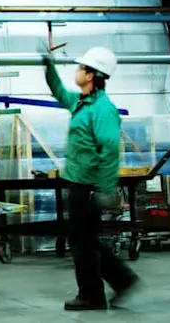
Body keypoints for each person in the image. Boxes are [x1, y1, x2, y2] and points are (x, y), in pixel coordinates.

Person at [42, 46, 139, 311]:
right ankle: (123, 280)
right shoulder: (81, 102)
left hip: (88, 186)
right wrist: (48, 67)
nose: (77, 71)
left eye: (81, 68)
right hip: (77, 181)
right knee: (87, 238)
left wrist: (106, 188)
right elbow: (59, 93)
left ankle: (91, 294)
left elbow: (109, 150)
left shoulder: (103, 109)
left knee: (81, 240)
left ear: (92, 75)